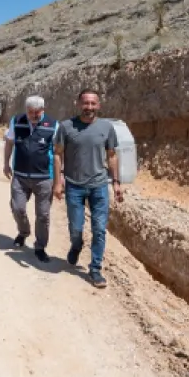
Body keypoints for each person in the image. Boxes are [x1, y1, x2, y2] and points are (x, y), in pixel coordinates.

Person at [52, 89, 124, 289]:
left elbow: (112, 156)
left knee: (99, 229)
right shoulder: (66, 127)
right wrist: (58, 182)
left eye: (93, 103)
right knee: (76, 229)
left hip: (99, 186)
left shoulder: (106, 127)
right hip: (74, 186)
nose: (89, 107)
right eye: (86, 103)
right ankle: (76, 245)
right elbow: (57, 155)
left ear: (98, 105)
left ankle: (95, 269)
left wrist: (116, 182)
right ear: (78, 104)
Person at [3, 95, 59, 262]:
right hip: (20, 177)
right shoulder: (17, 121)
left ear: (43, 110)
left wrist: (58, 179)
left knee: (43, 215)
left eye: (37, 112)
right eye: (30, 112)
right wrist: (6, 163)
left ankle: (40, 246)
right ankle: (23, 232)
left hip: (44, 178)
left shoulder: (54, 125)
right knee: (17, 207)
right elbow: (9, 142)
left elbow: (58, 153)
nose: (34, 115)